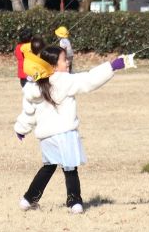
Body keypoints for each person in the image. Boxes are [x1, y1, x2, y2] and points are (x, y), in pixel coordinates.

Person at [14, 46, 135, 214]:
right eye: (64, 60)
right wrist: (112, 66)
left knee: (48, 167)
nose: (68, 62)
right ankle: (74, 202)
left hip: (47, 138)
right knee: (70, 169)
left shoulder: (35, 85)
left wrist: (21, 128)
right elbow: (89, 80)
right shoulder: (65, 80)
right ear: (54, 66)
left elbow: (28, 113)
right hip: (65, 135)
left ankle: (28, 200)